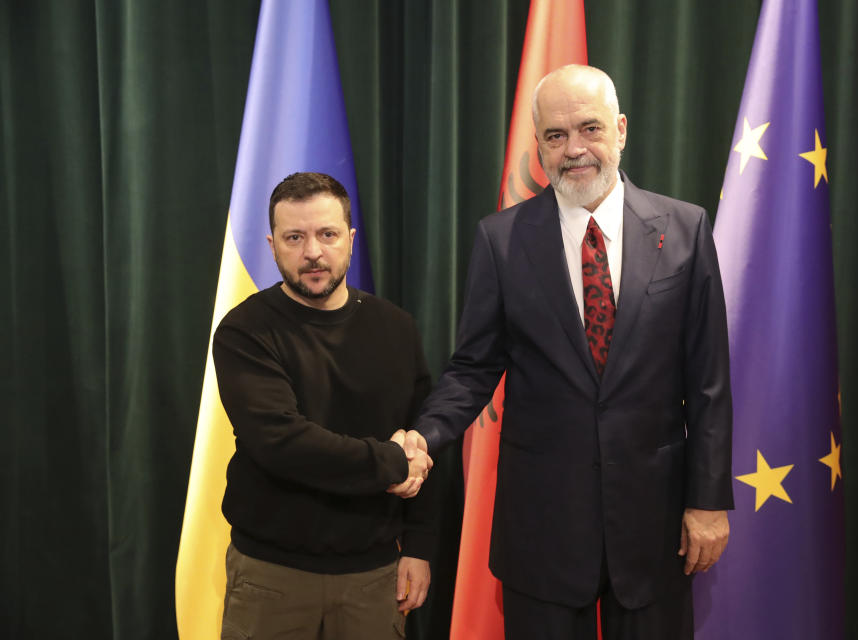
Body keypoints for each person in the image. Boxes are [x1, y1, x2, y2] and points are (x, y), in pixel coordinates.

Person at [411, 65, 734, 639]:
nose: (575, 149)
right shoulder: (501, 239)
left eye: (590, 128)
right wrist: (425, 435)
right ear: (538, 146)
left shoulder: (686, 229)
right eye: (556, 136)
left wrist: (708, 501)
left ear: (621, 131)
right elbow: (473, 368)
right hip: (543, 526)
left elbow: (709, 381)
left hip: (655, 525)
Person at [213, 172, 434, 640]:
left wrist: (420, 545)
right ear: (272, 246)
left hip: (375, 575)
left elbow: (427, 439)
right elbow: (282, 442)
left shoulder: (396, 328)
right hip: (271, 576)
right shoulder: (244, 331)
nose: (313, 251)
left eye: (327, 234)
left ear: (350, 240)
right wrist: (392, 461)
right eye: (295, 237)